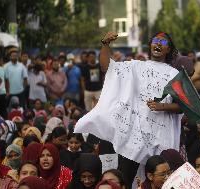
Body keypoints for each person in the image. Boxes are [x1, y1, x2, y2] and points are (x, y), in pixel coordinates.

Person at [75, 31, 182, 189]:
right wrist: (105, 45)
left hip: (159, 139)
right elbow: (107, 67)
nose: (158, 44)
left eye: (164, 42)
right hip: (134, 139)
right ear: (150, 45)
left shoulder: (174, 75)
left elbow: (183, 106)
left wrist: (162, 106)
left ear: (168, 49)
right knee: (124, 180)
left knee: (161, 183)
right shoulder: (135, 66)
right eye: (155, 41)